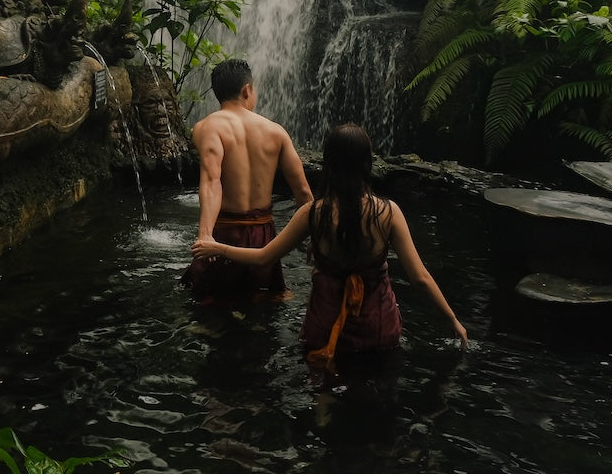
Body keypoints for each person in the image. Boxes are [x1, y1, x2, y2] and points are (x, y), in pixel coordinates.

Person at [193, 122, 468, 372]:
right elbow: (420, 278)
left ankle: (323, 414)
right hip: (378, 322)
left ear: (329, 163)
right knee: (380, 386)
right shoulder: (388, 213)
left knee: (324, 383)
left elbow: (265, 256)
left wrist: (218, 248)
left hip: (325, 322)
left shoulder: (313, 213)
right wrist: (451, 319)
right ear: (366, 163)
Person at [182, 58, 313, 305]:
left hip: (224, 232)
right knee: (264, 301)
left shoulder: (207, 127)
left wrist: (205, 234)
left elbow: (212, 179)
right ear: (247, 90)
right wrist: (319, 238)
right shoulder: (276, 131)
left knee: (211, 303)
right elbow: (304, 192)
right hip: (264, 235)